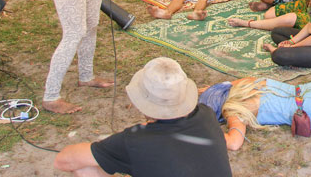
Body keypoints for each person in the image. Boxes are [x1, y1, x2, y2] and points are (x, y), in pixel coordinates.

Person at [54, 57, 232, 177]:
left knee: (85, 167)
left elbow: (64, 160)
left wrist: (108, 148)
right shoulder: (206, 114)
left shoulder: (136, 140)